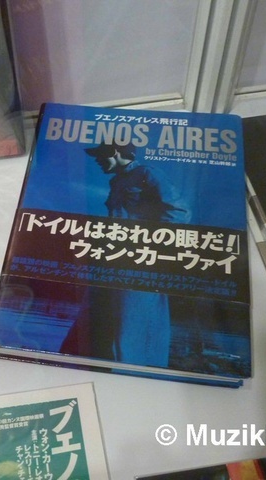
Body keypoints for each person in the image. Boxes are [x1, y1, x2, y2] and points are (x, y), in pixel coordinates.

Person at [59, 142, 191, 367]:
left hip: (139, 263)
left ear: (115, 152)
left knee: (133, 324)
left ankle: (138, 373)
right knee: (95, 321)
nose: (97, 160)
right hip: (113, 260)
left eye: (100, 155)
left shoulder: (148, 174)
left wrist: (144, 244)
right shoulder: (117, 181)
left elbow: (180, 212)